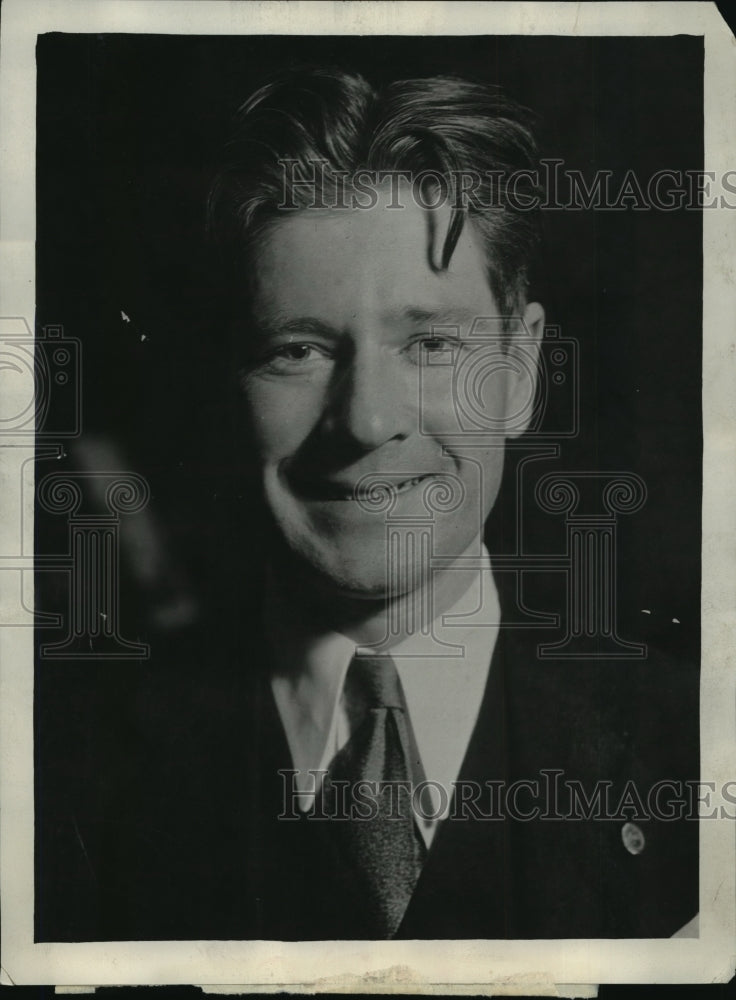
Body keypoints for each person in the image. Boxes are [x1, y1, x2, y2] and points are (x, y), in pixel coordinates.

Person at [35, 67, 698, 943]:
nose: (368, 418)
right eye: (297, 350)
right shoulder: (61, 776)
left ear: (524, 370)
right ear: (227, 383)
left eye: (430, 343)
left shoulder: (692, 749)